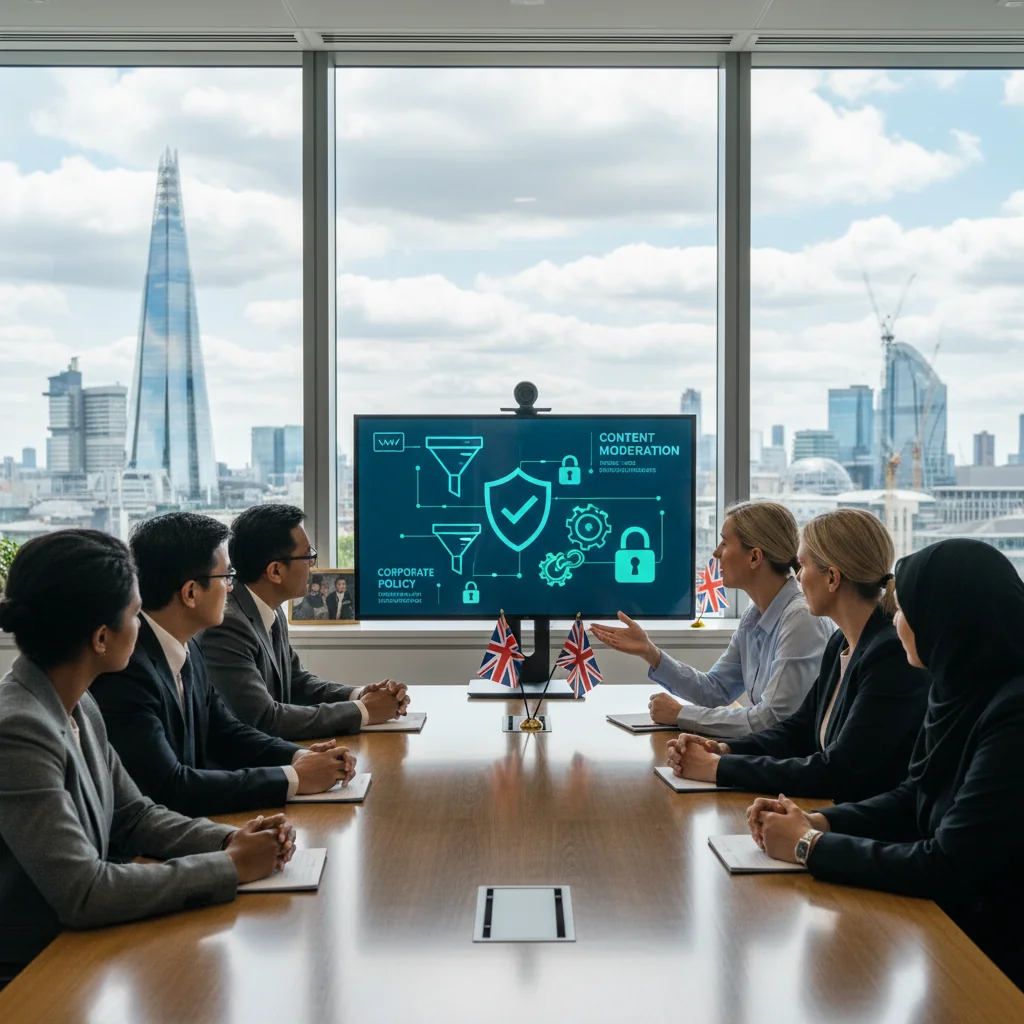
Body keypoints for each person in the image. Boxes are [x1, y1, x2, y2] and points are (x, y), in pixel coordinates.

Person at [0, 530, 295, 985]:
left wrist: (228, 840)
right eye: (137, 613)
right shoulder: (19, 728)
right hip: (33, 977)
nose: (142, 628)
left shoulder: (78, 703)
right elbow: (85, 891)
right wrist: (230, 865)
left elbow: (136, 816)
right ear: (101, 637)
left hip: (80, 957)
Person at [748, 539, 1024, 990]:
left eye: (905, 608)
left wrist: (809, 846)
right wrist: (820, 821)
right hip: (949, 938)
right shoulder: (954, 688)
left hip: (994, 958)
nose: (895, 619)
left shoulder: (1013, 715)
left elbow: (948, 866)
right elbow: (914, 794)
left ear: (945, 618)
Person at [89, 513, 357, 818]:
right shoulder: (126, 670)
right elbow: (171, 788)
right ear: (190, 593)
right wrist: (293, 778)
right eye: (226, 577)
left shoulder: (185, 646)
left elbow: (225, 732)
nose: (231, 588)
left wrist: (300, 757)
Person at [665, 508, 929, 803]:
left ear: (832, 578)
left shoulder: (888, 657)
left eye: (802, 566)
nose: (798, 577)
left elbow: (838, 771)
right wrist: (724, 750)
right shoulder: (840, 642)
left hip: (867, 828)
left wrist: (719, 768)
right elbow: (798, 730)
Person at [591, 501, 832, 738]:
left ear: (755, 557)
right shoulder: (754, 615)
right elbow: (716, 690)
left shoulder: (801, 619)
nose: (716, 553)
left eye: (725, 543)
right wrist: (650, 653)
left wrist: (681, 714)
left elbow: (771, 719)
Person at [199, 504, 409, 739]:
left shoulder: (270, 609)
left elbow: (297, 682)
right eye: (308, 556)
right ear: (275, 571)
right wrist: (364, 711)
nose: (313, 566)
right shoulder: (227, 625)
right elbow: (264, 719)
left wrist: (361, 695)